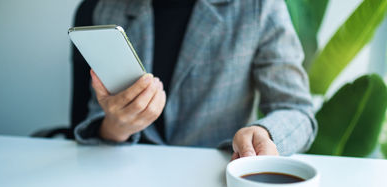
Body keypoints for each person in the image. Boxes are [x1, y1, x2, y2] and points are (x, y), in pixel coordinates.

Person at [74, 0, 317, 158]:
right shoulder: (103, 8)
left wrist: (264, 134)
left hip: (215, 181)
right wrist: (116, 127)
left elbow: (296, 111)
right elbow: (86, 119)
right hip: (124, 176)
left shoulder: (257, 6)